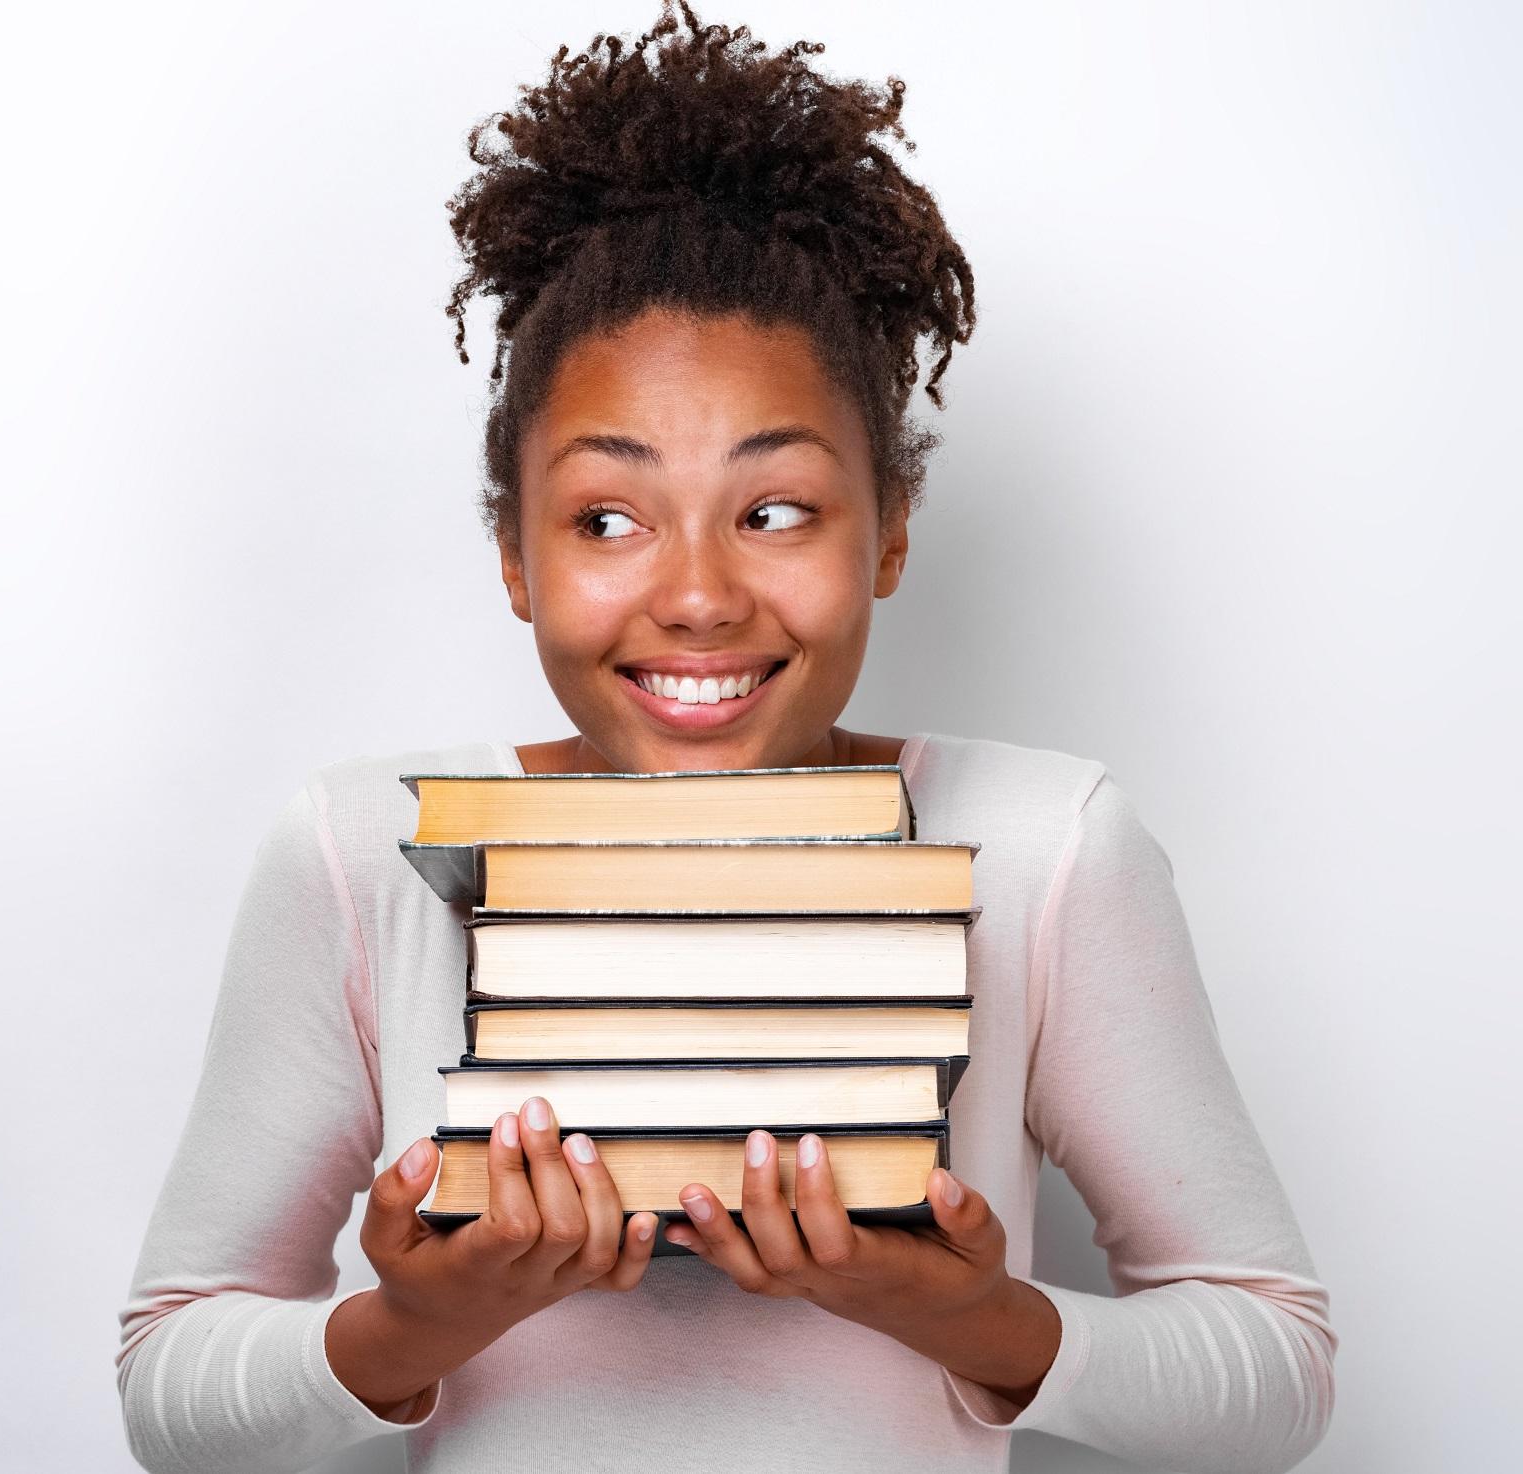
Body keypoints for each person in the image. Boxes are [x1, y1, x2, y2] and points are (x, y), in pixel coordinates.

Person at [114, 5, 1335, 1470]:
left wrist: (966, 1317)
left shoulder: (1042, 848)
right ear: (515, 552)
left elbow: (1276, 1370)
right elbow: (167, 1387)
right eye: (608, 519)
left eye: (774, 511)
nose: (697, 596)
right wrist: (410, 1328)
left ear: (888, 528)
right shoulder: (357, 853)